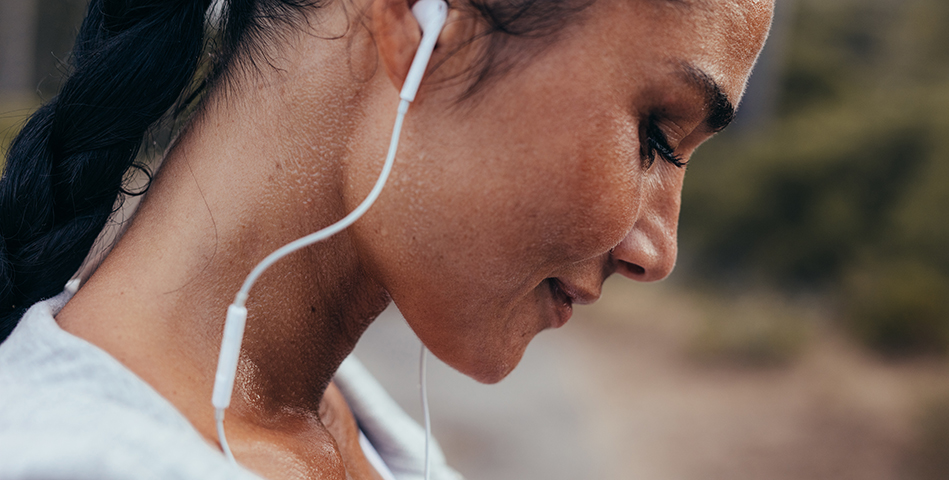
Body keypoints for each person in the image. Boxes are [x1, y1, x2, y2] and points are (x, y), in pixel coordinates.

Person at [0, 0, 774, 478]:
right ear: (419, 18)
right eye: (657, 135)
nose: (657, 249)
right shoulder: (75, 461)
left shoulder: (341, 420)